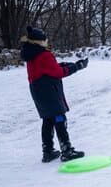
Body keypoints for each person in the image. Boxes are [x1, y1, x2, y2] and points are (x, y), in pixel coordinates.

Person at [21, 26, 89, 163]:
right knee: (59, 117)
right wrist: (77, 67)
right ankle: (66, 150)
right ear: (40, 41)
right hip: (49, 90)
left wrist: (66, 64)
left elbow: (49, 68)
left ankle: (48, 151)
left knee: (48, 119)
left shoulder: (31, 54)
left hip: (37, 90)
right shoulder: (45, 55)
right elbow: (58, 73)